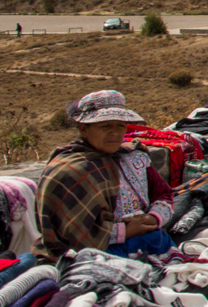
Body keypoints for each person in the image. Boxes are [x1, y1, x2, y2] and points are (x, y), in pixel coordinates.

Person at [38, 90, 176, 259]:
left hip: (147, 242)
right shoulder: (69, 172)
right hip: (94, 255)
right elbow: (72, 234)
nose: (115, 133)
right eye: (105, 126)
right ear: (83, 129)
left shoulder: (134, 158)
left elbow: (163, 194)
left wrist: (154, 218)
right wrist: (126, 231)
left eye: (120, 126)